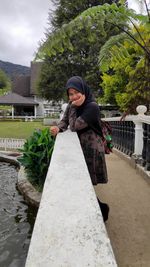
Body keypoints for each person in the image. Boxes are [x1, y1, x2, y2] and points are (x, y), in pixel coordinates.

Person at [50, 76, 109, 222]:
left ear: (84, 91)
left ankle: (102, 209)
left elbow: (75, 126)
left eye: (77, 92)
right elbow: (64, 121)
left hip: (92, 148)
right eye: (70, 94)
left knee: (85, 181)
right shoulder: (72, 105)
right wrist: (58, 127)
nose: (74, 96)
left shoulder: (92, 107)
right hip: (80, 146)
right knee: (82, 181)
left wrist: (74, 107)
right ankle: (99, 208)